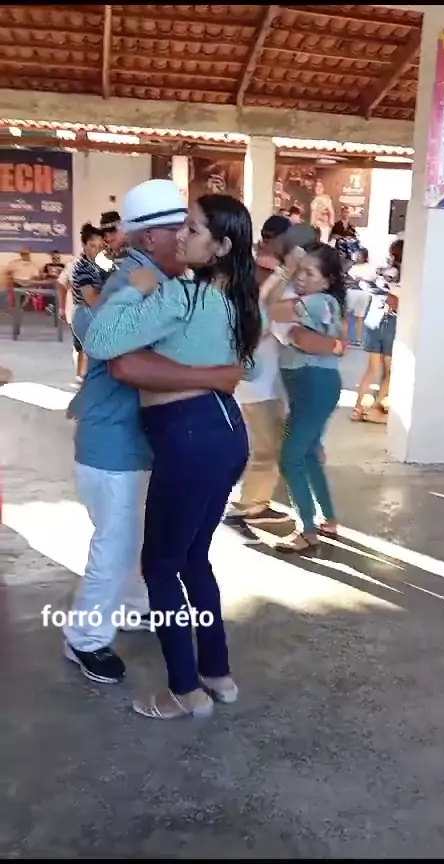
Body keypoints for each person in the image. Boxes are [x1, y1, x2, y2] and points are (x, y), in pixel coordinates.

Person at [82, 188, 263, 720]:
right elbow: (245, 368)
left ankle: (185, 690)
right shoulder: (238, 300)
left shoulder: (181, 295)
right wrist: (207, 371)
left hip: (187, 436)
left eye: (193, 229)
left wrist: (133, 292)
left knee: (160, 568)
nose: (181, 236)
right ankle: (218, 675)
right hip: (226, 434)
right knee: (193, 558)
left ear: (220, 246)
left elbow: (101, 342)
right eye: (180, 226)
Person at [267, 243, 345, 552]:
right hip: (309, 386)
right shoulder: (318, 301)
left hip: (313, 385)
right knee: (309, 454)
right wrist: (296, 336)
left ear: (326, 281)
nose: (301, 277)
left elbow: (272, 309)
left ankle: (307, 530)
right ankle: (328, 520)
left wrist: (283, 275)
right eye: (300, 270)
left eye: (309, 273)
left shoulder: (318, 301)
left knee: (290, 459)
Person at [227, 213, 292, 530]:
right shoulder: (271, 278)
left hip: (257, 375)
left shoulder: (253, 272)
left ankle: (253, 502)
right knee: (266, 447)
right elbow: (272, 325)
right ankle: (249, 506)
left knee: (265, 444)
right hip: (257, 379)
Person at [351, 239, 403, 423]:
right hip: (392, 322)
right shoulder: (404, 275)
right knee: (391, 371)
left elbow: (361, 279)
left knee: (372, 369)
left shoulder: (382, 272)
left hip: (373, 319)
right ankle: (373, 410)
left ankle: (357, 408)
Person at [71, 223, 104, 382]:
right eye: (92, 245)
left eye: (99, 246)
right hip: (85, 314)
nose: (96, 250)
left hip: (91, 312)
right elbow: (91, 299)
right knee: (95, 355)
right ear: (84, 246)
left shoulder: (96, 265)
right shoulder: (82, 267)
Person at [344, 246, 376, 347]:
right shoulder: (370, 268)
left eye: (358, 255)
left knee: (347, 316)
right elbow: (373, 279)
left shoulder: (354, 267)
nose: (357, 257)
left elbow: (350, 278)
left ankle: (346, 339)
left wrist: (360, 279)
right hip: (364, 293)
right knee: (359, 316)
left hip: (354, 292)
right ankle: (358, 339)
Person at [96, 210, 127, 282]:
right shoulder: (102, 259)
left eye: (112, 232)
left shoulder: (136, 254)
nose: (108, 238)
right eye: (104, 234)